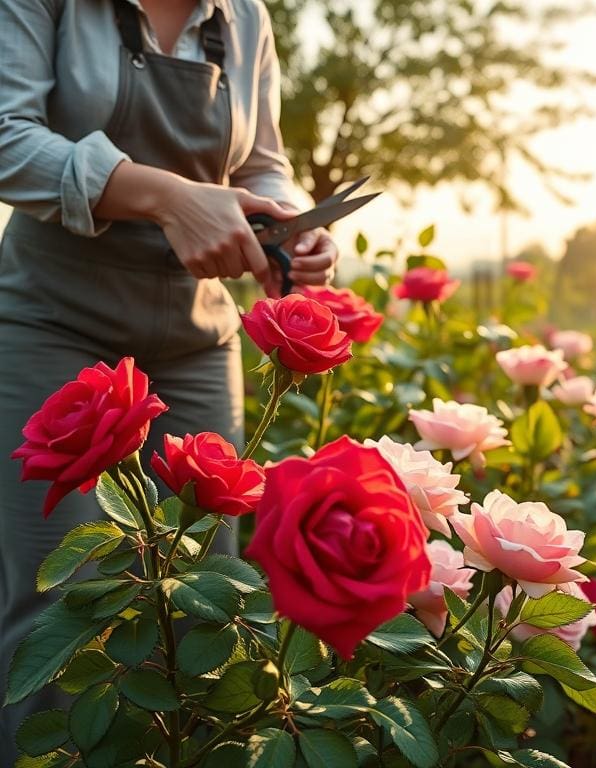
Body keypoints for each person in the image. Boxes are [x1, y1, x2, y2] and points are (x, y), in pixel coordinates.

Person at [0, 0, 339, 758]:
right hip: (54, 321)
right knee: (61, 596)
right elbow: (7, 138)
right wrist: (168, 197)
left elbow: (259, 160)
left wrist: (290, 223)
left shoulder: (245, 15)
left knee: (207, 596)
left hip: (193, 338)